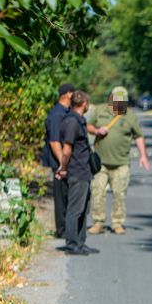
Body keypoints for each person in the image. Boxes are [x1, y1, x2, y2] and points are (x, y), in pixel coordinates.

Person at [86, 87, 149, 235]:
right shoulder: (100, 111)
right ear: (111, 99)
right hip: (100, 162)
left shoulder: (130, 116)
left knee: (119, 194)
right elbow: (87, 126)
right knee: (97, 192)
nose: (120, 105)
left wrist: (143, 156)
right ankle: (98, 222)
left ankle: (117, 222)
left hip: (121, 163)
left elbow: (138, 136)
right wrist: (96, 131)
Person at [56, 90, 98, 256]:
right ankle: (72, 244)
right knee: (75, 209)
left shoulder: (78, 121)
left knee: (83, 209)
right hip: (76, 171)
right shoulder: (72, 122)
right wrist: (63, 168)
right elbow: (67, 150)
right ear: (85, 104)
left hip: (84, 171)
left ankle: (80, 242)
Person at [43, 83, 75, 238]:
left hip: (65, 162)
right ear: (68, 94)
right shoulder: (57, 115)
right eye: (73, 93)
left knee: (68, 195)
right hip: (59, 163)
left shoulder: (67, 112)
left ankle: (68, 227)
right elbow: (54, 141)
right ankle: (61, 230)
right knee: (61, 197)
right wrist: (63, 164)